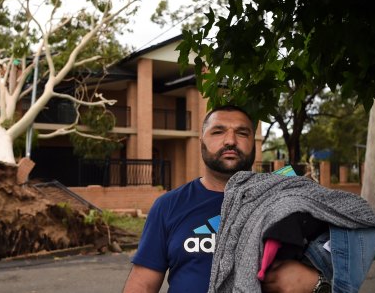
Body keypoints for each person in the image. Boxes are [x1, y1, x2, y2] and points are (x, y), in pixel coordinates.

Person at [123, 105, 320, 293]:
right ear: (201, 141)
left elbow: (341, 263)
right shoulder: (168, 205)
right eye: (218, 132)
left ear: (254, 143)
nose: (230, 141)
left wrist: (318, 284)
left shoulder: (289, 199)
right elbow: (143, 286)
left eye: (242, 133)